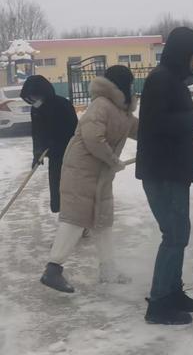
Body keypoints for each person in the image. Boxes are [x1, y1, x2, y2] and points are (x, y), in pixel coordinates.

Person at [136, 27, 193, 325]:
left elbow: (183, 139)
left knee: (179, 235)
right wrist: (190, 119)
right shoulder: (160, 80)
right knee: (174, 236)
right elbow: (156, 125)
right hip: (161, 171)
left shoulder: (174, 82)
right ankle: (158, 304)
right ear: (184, 54)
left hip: (173, 170)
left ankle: (173, 292)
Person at [40, 65, 138, 293]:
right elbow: (93, 138)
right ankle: (52, 269)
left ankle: (108, 269)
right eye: (130, 83)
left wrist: (161, 135)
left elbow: (136, 129)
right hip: (81, 172)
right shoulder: (100, 106)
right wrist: (113, 160)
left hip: (100, 175)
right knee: (75, 220)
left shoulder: (122, 111)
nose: (133, 88)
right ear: (121, 85)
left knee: (103, 222)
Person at [20, 75, 78, 213]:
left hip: (70, 154)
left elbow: (75, 131)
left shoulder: (62, 104)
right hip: (54, 157)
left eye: (33, 97)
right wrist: (37, 153)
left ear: (42, 92)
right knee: (57, 189)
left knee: (71, 190)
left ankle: (76, 219)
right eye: (30, 99)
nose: (33, 102)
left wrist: (57, 142)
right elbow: (37, 133)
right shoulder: (36, 109)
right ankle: (64, 217)